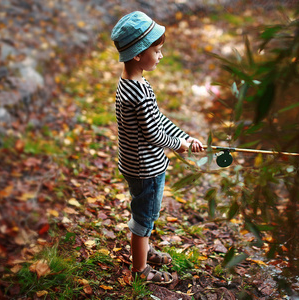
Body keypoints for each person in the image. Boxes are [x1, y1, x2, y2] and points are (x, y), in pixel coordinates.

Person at [111, 11, 204, 284]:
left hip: (133, 163)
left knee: (143, 212)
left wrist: (183, 137)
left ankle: (143, 250)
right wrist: (178, 145)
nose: (161, 55)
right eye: (157, 50)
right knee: (144, 219)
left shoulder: (130, 84)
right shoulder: (139, 93)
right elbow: (154, 134)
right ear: (138, 54)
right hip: (146, 168)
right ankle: (141, 271)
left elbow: (158, 121)